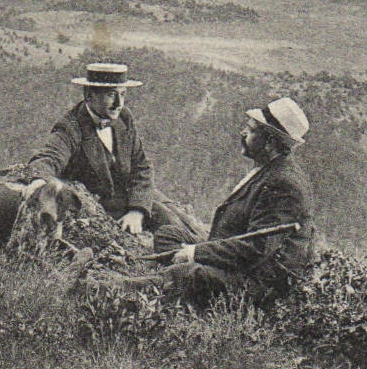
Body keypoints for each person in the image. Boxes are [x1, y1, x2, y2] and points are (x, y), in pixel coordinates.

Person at [91, 96, 315, 305]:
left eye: (251, 130)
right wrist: (198, 251)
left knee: (185, 274)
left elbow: (256, 250)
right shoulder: (269, 170)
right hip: (238, 255)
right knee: (170, 236)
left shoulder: (285, 185)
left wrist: (195, 253)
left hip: (258, 283)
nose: (242, 133)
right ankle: (178, 281)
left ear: (270, 142)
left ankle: (103, 292)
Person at [25, 62, 176, 234]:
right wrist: (39, 182)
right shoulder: (71, 127)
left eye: (123, 94)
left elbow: (141, 166)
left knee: (174, 221)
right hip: (98, 214)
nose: (118, 103)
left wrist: (137, 211)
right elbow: (47, 158)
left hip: (130, 206)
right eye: (112, 95)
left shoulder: (124, 118)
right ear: (89, 95)